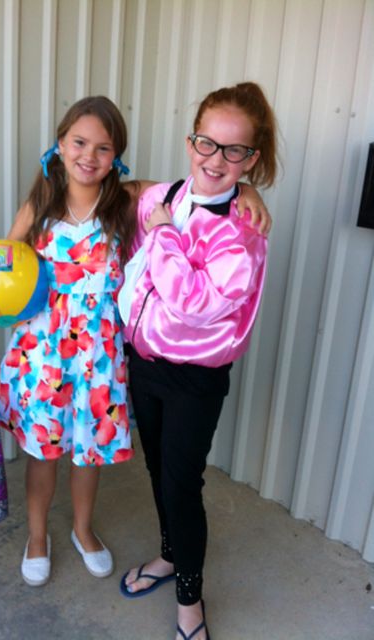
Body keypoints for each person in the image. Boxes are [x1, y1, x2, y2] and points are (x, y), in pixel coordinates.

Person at [0, 95, 271, 590]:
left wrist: (247, 188)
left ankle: (82, 529)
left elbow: (197, 186)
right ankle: (36, 536)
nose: (89, 156)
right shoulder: (41, 204)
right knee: (43, 453)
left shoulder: (125, 201)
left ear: (116, 158)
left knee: (90, 452)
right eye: (79, 143)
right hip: (44, 354)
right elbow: (2, 255)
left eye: (103, 148)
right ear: (60, 145)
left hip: (99, 356)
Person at [119, 82, 278, 640]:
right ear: (191, 143)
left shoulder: (244, 231)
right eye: (207, 143)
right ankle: (169, 556)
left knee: (182, 485)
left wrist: (164, 233)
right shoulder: (163, 196)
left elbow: (192, 302)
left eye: (234, 150)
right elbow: (128, 213)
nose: (216, 159)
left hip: (194, 378)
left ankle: (190, 601)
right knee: (158, 471)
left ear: (251, 158)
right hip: (144, 362)